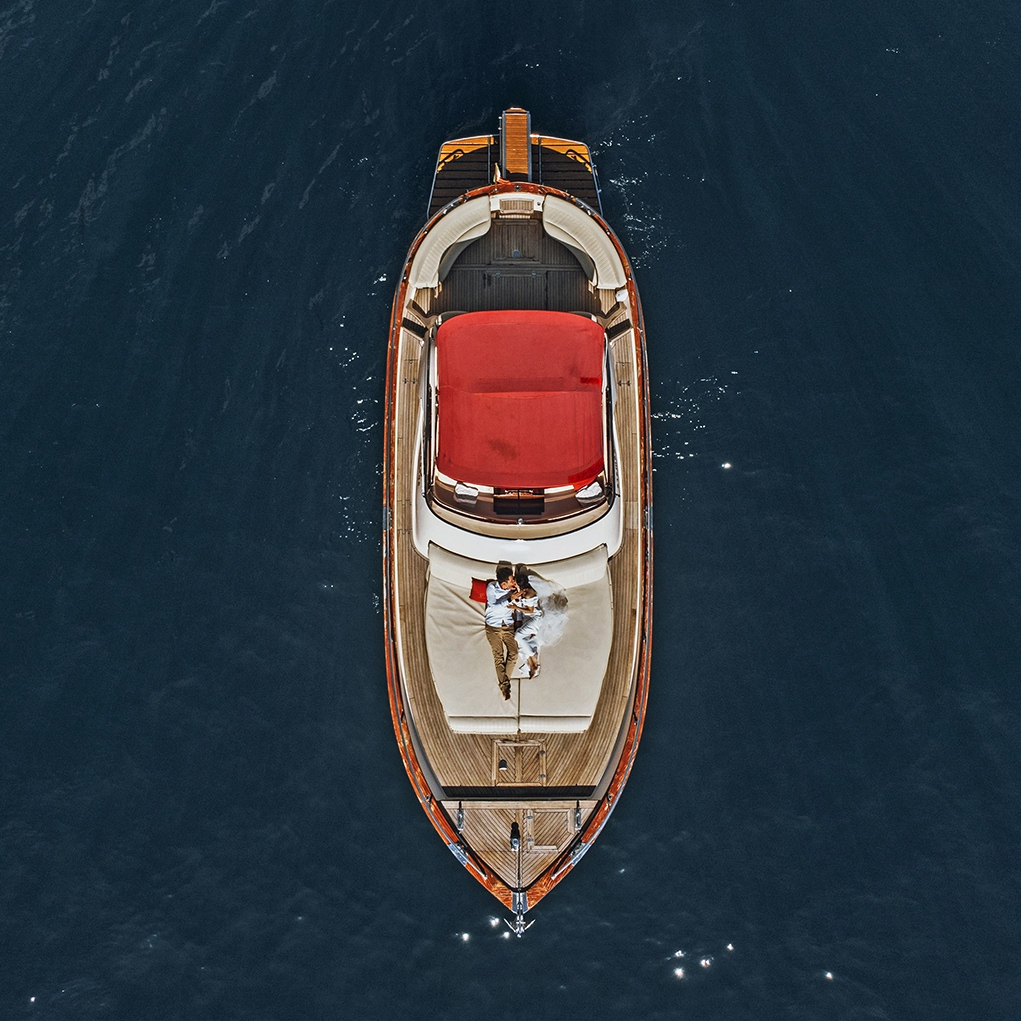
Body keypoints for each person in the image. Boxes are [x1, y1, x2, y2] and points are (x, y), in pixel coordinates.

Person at [484, 561, 519, 700]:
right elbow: (495, 607)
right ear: (504, 584)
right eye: (511, 580)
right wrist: (510, 598)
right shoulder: (491, 588)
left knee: (514, 653)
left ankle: (504, 683)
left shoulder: (513, 589)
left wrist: (517, 590)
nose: (513, 582)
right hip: (493, 626)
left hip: (508, 625)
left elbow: (520, 602)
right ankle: (505, 685)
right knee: (498, 656)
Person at [510, 564, 542, 678]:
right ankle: (533, 663)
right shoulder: (523, 591)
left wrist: (516, 608)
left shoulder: (529, 594)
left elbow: (530, 610)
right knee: (524, 640)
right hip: (528, 618)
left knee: (518, 636)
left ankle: (532, 659)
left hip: (534, 618)